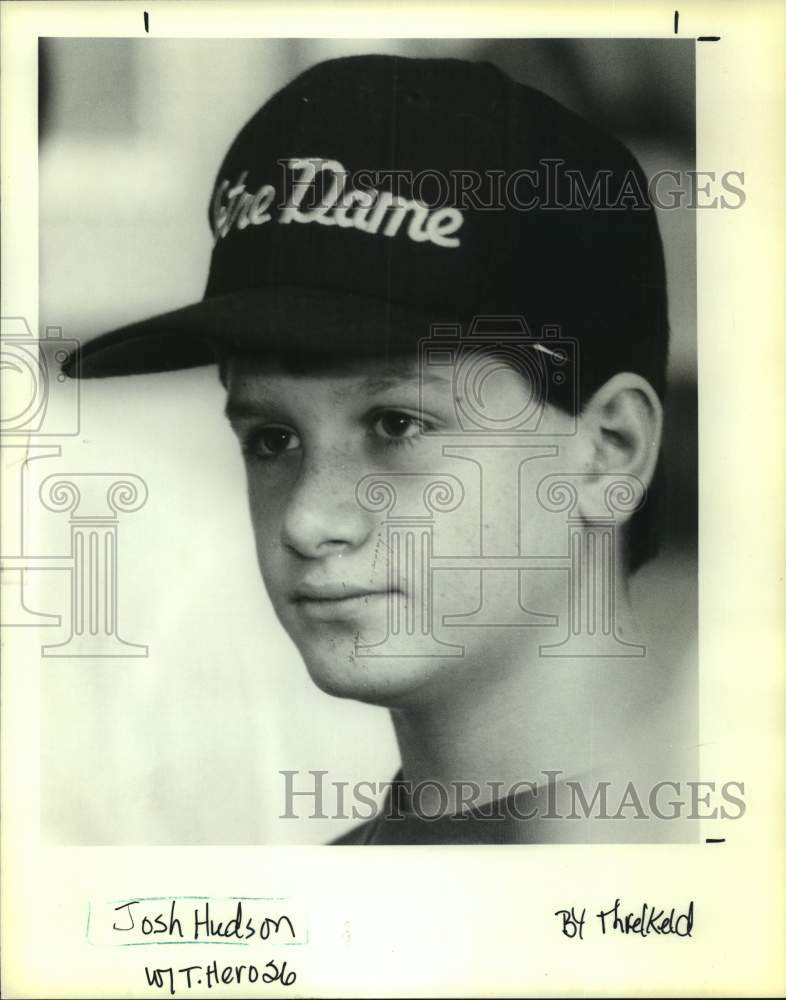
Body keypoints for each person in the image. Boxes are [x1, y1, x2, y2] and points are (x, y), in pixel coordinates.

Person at [65, 53, 689, 844]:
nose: (308, 518)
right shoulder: (289, 935)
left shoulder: (732, 908)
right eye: (272, 438)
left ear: (609, 450)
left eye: (397, 424)